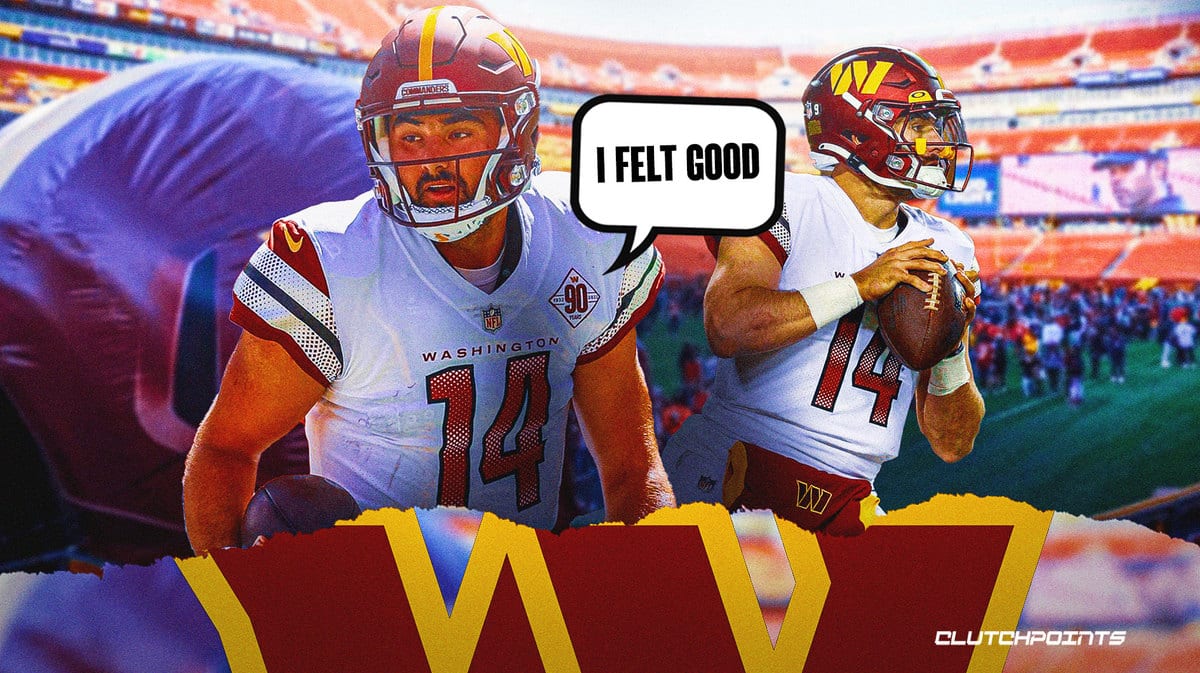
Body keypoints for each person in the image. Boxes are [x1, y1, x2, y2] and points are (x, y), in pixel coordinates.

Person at [183, 5, 674, 553]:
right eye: (410, 137)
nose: (430, 161)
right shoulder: (328, 262)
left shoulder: (587, 235)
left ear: (522, 132)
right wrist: (232, 604)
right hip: (373, 596)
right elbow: (226, 449)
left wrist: (650, 583)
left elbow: (632, 464)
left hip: (526, 588)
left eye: (458, 132)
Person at [662, 45, 984, 535]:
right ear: (859, 129)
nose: (936, 142)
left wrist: (951, 343)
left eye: (936, 127)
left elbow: (952, 443)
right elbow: (726, 326)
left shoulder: (948, 245)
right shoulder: (786, 200)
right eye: (918, 125)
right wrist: (859, 285)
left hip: (851, 494)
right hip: (736, 469)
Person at [1092, 151, 1186, 215]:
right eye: (1112, 171)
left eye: (1126, 168)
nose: (1115, 178)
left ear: (1158, 168)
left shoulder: (1178, 227)